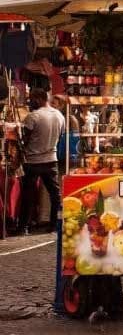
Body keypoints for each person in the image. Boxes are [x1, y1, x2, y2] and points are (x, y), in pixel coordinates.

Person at [18, 89, 65, 235]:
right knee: (55, 194)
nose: (30, 101)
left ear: (39, 99)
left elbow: (23, 139)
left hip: (33, 161)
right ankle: (54, 224)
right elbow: (60, 136)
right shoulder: (59, 115)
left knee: (28, 195)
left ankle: (24, 227)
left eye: (32, 99)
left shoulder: (33, 117)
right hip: (51, 160)